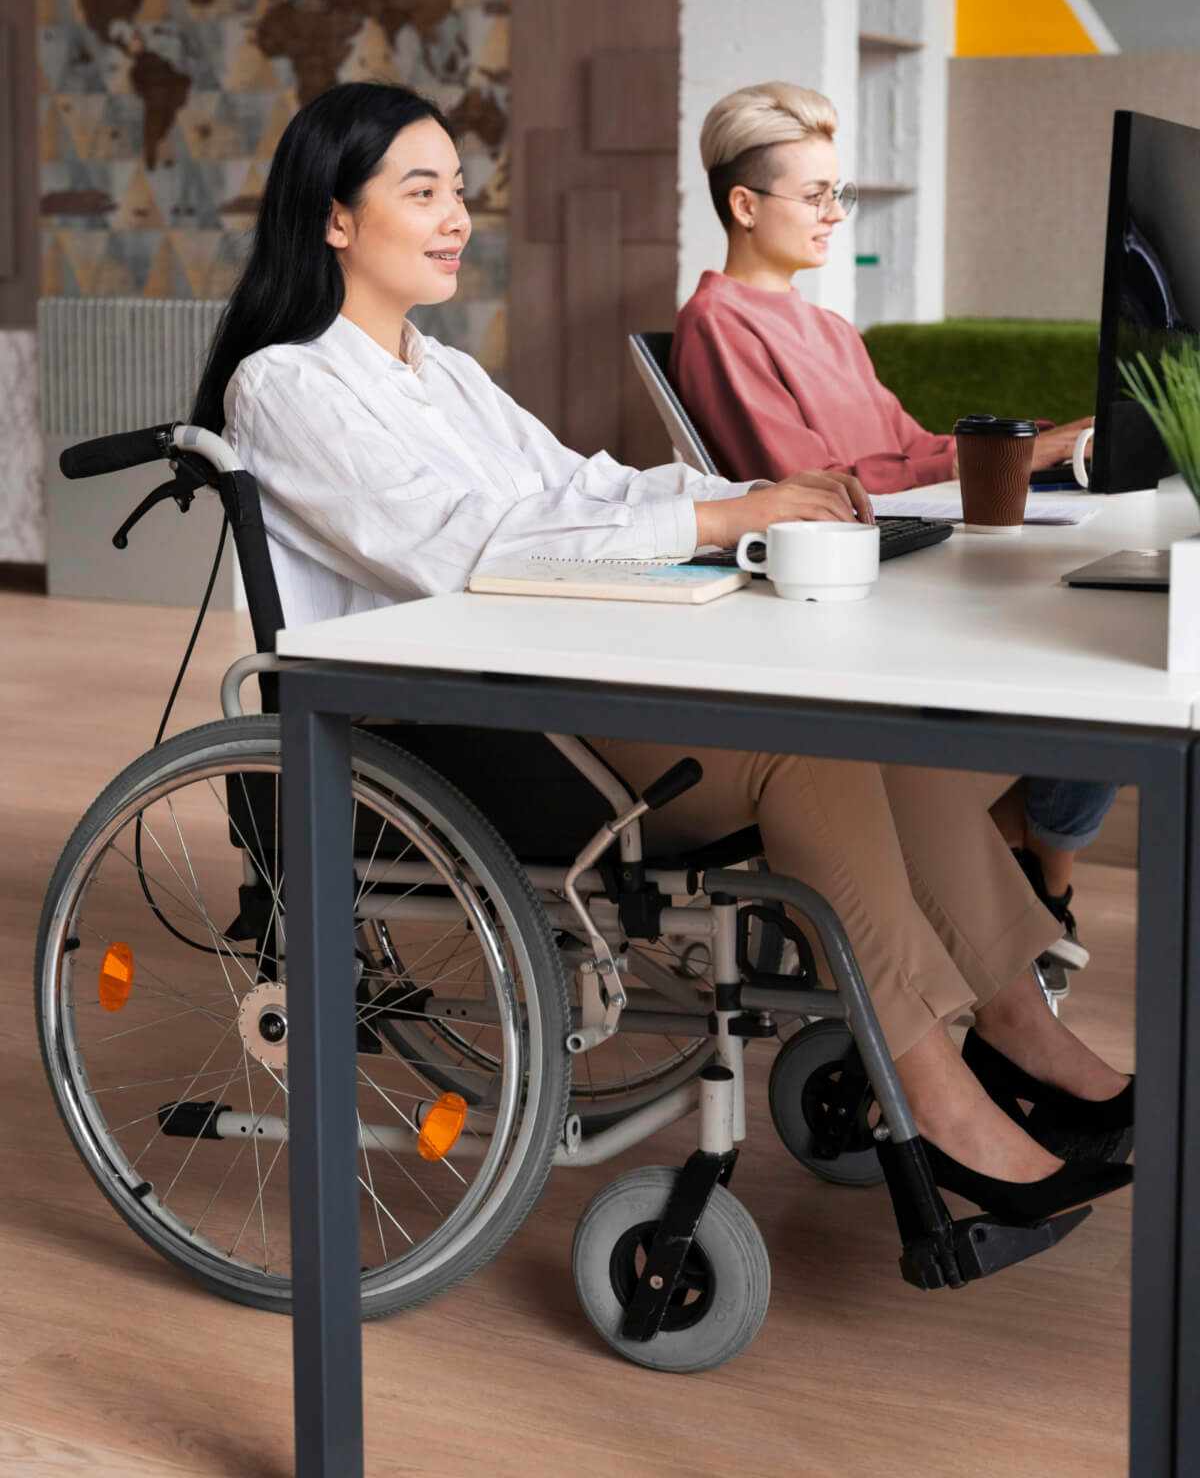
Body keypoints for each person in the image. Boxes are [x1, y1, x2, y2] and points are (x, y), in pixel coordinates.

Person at [192, 81, 1132, 1230]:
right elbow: (454, 552)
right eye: (420, 190)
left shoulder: (437, 371)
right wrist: (711, 526)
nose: (454, 217)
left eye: (460, 191)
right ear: (335, 219)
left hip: (531, 682)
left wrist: (746, 496)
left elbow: (576, 485)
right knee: (811, 754)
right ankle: (933, 1096)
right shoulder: (283, 382)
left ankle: (1011, 1025)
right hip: (429, 732)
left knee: (868, 737)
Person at [670, 82, 1118, 974]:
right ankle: (1029, 885)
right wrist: (1011, 459)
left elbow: (908, 448)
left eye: (841, 193)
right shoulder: (718, 324)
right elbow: (819, 486)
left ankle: (1036, 882)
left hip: (902, 554)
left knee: (1095, 634)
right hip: (849, 585)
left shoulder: (829, 327)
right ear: (744, 205)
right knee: (1077, 662)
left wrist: (1033, 444)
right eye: (817, 196)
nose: (835, 215)